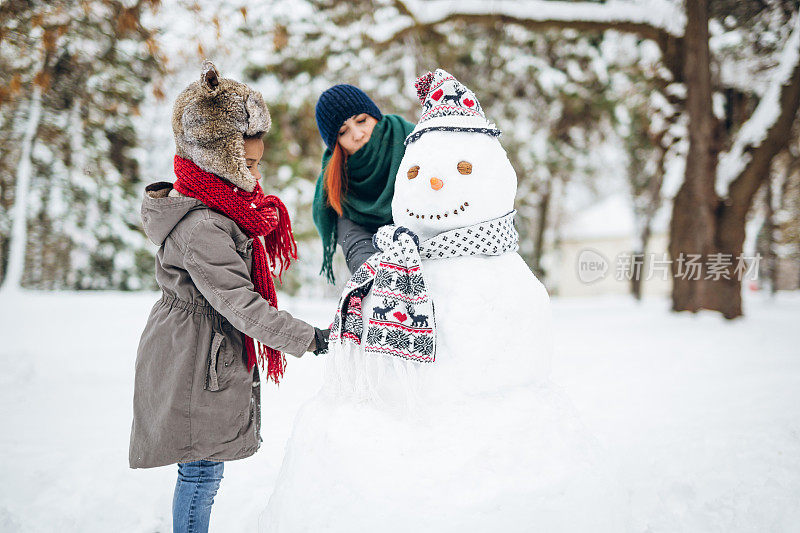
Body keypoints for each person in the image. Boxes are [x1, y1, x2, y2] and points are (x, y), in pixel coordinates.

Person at [128, 61, 329, 533]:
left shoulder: (218, 208)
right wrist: (311, 338)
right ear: (220, 159)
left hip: (202, 348)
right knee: (200, 470)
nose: (257, 175)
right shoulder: (202, 226)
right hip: (194, 356)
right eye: (250, 164)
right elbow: (240, 303)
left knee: (204, 467)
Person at [311, 84, 415, 283]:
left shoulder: (412, 140)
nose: (357, 135)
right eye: (343, 132)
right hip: (386, 274)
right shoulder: (338, 182)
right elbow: (355, 241)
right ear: (335, 144)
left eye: (361, 121)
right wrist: (376, 278)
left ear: (374, 115)